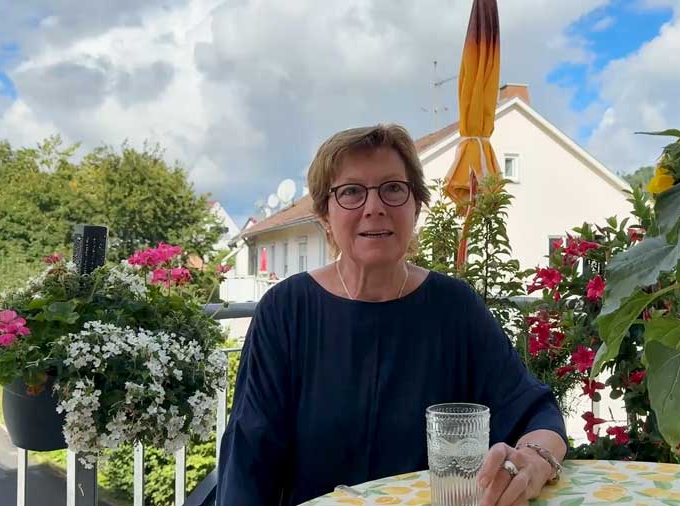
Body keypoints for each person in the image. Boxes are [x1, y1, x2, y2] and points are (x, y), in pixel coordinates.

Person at [217, 124, 567, 506]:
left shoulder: (455, 307)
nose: (374, 207)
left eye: (393, 188)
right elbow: (248, 461)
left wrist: (533, 464)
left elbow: (536, 413)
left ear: (415, 205)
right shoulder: (286, 311)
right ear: (324, 214)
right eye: (351, 191)